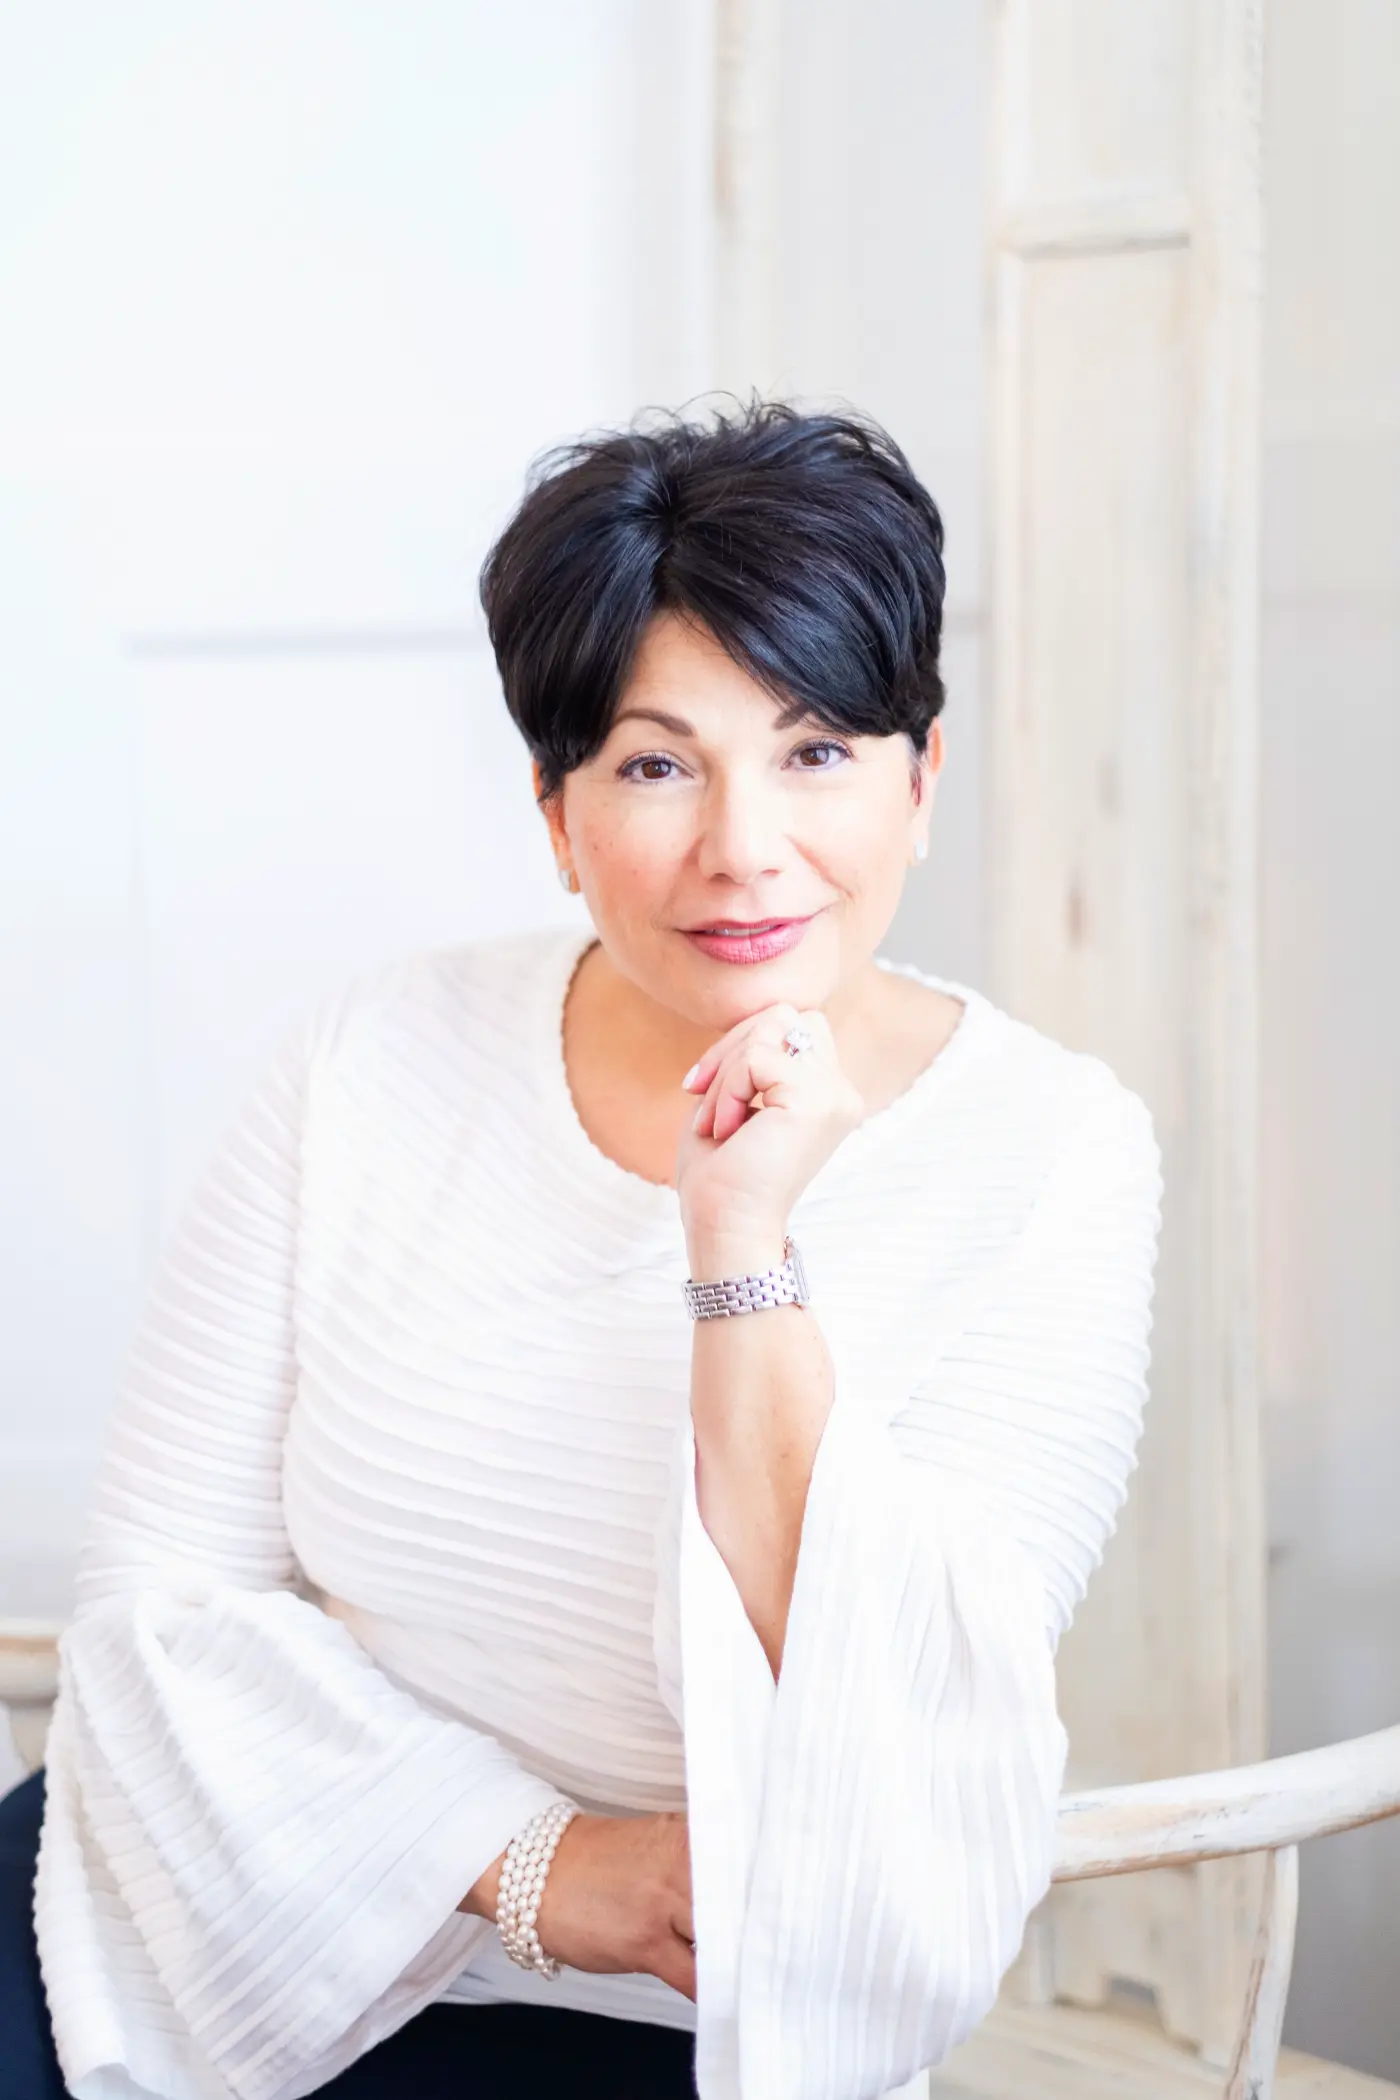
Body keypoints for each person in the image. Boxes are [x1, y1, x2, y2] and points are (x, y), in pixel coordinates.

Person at [3, 399, 1163, 2100]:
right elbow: (153, 1605)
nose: (743, 847)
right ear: (554, 811)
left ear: (924, 779)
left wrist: (739, 1239)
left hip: (682, 2039)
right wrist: (533, 1859)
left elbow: (872, 1733)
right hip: (182, 1921)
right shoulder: (371, 1057)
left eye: (817, 750)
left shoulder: (1057, 1151)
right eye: (654, 763)